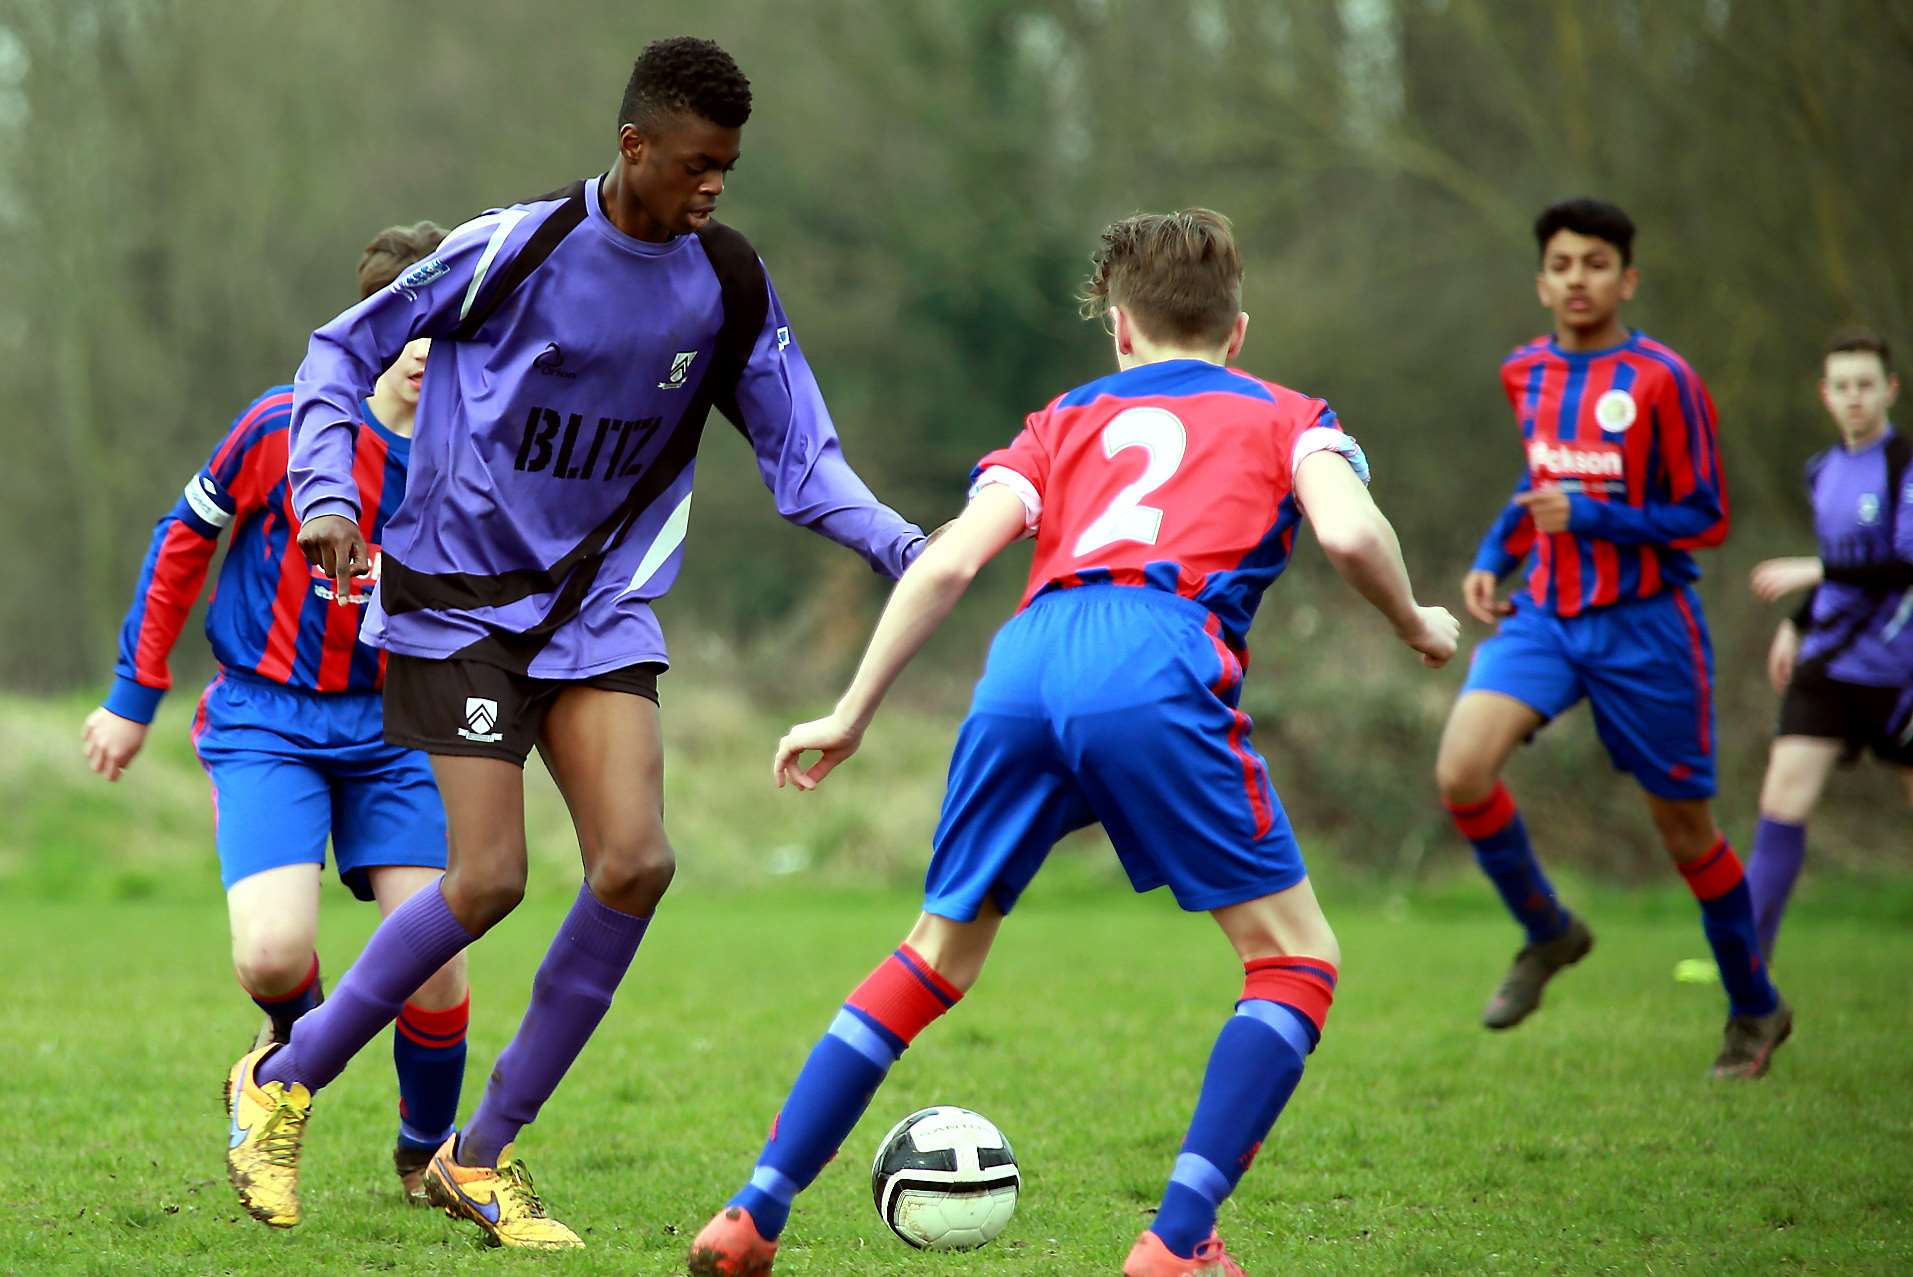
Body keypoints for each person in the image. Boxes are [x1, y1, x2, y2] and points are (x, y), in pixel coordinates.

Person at [222, 36, 926, 1248]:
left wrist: (921, 552)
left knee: (636, 860)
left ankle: (481, 1154)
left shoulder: (728, 282)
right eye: (698, 163)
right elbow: (338, 349)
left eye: (730, 168)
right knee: (488, 877)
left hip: (596, 614)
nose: (714, 187)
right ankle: (281, 1079)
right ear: (633, 144)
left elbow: (804, 465)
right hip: (453, 603)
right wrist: (328, 493)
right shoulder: (517, 244)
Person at [687, 208, 1460, 1277]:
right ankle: (1177, 1240)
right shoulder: (1290, 414)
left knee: (933, 951)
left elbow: (951, 562)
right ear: (1236, 332)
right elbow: (1343, 528)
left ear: (1120, 331)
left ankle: (753, 1211)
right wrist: (1413, 619)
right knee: (1294, 956)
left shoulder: (1058, 421)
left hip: (1023, 662)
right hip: (1153, 655)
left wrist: (851, 709)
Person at [82, 222, 471, 1206]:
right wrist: (134, 695)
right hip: (267, 716)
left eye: (443, 327)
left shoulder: (477, 457)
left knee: (432, 959)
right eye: (402, 327)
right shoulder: (280, 426)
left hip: (400, 729)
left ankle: (425, 1148)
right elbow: (182, 540)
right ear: (364, 332)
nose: (423, 350)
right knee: (270, 951)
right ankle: (281, 1072)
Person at [1433, 197, 1788, 1077]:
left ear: (1625, 279)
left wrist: (1590, 512)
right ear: (1541, 279)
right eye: (1561, 264)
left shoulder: (1664, 379)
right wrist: (1495, 553)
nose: (1576, 279)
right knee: (1460, 771)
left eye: (1595, 264)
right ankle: (1548, 931)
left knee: (1684, 833)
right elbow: (1541, 473)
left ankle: (1754, 1007)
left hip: (1647, 629)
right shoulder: (1526, 372)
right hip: (1548, 614)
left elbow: (1705, 514)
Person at [1740, 328, 1911, 958]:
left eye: (1866, 384)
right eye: (1842, 387)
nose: (1855, 397)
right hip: (1830, 668)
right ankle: (1748, 970)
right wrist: (1797, 623)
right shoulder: (1822, 471)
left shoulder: (1905, 466)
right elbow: (1845, 571)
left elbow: (1903, 565)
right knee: (1781, 798)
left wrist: (1815, 571)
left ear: (1889, 389)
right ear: (1825, 395)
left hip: (1901, 675)